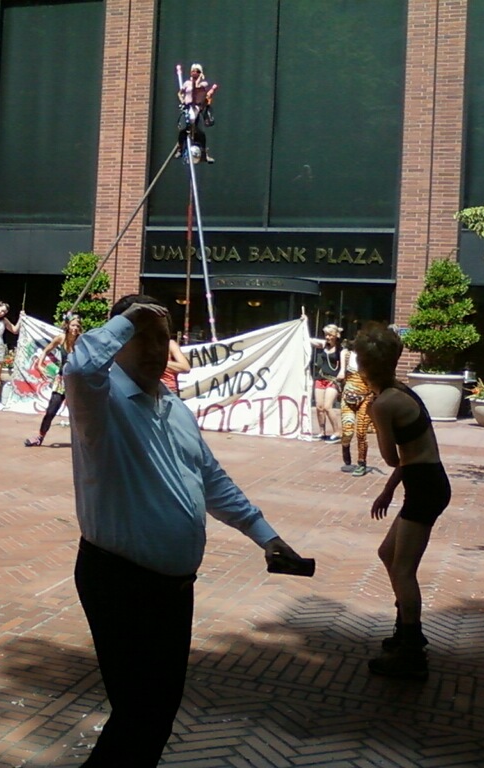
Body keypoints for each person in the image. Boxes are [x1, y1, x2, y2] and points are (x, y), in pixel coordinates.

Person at [65, 294, 310, 765]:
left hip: (173, 589)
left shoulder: (173, 408)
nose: (158, 347)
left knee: (157, 713)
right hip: (119, 582)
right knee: (140, 713)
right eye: (144, 336)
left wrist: (266, 535)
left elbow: (213, 480)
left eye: (165, 336)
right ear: (120, 340)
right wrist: (129, 319)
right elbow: (78, 368)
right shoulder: (102, 402)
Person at [353, 323, 451, 681]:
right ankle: (405, 629)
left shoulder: (383, 404)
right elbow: (414, 454)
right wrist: (390, 489)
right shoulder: (402, 392)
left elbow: (394, 458)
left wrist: (369, 422)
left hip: (425, 486)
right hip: (426, 481)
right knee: (388, 554)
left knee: (404, 569)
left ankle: (412, 651)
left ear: (363, 365)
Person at [23, 315, 83, 447]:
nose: (75, 328)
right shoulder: (61, 338)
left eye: (78, 326)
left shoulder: (81, 340)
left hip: (76, 381)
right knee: (51, 411)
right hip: (62, 380)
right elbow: (45, 350)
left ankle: (83, 442)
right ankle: (39, 437)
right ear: (68, 326)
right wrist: (39, 364)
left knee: (77, 414)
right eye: (73, 325)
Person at [339, 340, 374, 476]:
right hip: (348, 398)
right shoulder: (347, 355)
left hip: (365, 398)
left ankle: (361, 463)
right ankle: (345, 449)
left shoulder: (371, 360)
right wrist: (342, 371)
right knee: (347, 432)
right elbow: (343, 355)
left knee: (361, 433)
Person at [309, 323, 344, 442]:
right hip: (321, 378)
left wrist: (341, 376)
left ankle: (337, 432)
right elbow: (310, 340)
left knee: (328, 407)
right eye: (326, 335)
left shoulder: (341, 349)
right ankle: (322, 432)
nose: (328, 337)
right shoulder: (324, 345)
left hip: (333, 380)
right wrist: (303, 323)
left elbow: (343, 369)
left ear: (336, 335)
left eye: (330, 335)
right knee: (319, 407)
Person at [177, 62, 217, 163]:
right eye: (193, 71)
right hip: (187, 107)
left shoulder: (204, 84)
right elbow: (180, 93)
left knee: (200, 132)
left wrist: (199, 80)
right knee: (183, 129)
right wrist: (182, 99)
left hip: (197, 108)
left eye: (197, 71)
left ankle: (204, 153)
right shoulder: (186, 83)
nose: (195, 73)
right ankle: (180, 149)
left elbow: (198, 89)